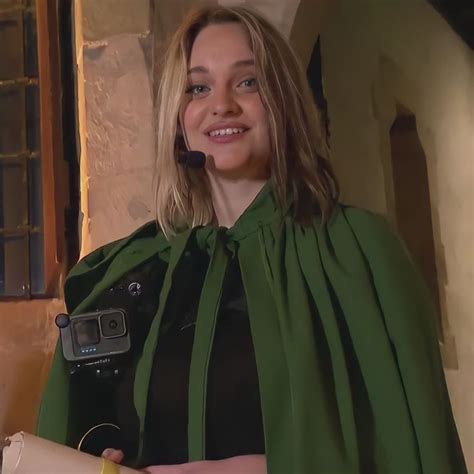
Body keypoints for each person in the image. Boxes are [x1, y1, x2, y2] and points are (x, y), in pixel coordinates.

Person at [37, 5, 466, 474]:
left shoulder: (358, 251)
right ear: (179, 119)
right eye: (198, 87)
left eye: (247, 82)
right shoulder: (138, 275)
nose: (221, 104)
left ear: (282, 99)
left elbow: (406, 446)